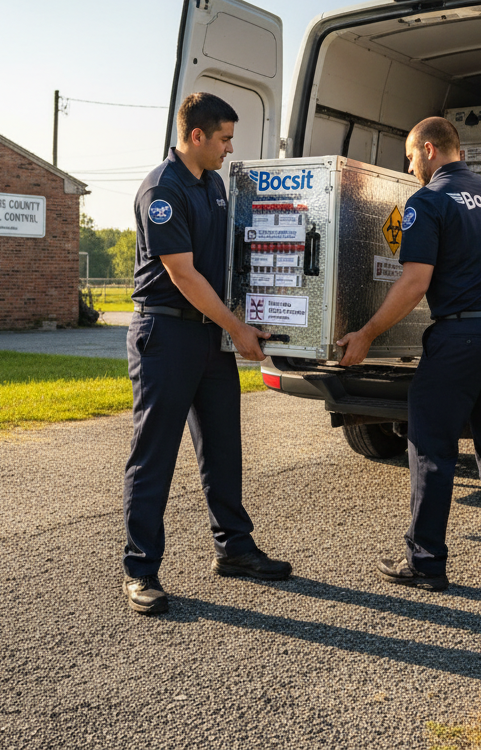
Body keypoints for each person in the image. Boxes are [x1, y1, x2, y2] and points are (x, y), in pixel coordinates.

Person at [336, 116, 481, 591]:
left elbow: (414, 282)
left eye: (408, 154)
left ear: (427, 149)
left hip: (461, 339)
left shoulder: (427, 201)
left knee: (431, 447)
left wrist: (365, 332)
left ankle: (425, 562)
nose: (408, 164)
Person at [122, 92, 292, 615]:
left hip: (210, 335)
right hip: (167, 335)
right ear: (196, 136)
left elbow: (224, 261)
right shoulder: (163, 189)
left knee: (223, 446)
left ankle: (234, 549)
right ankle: (141, 570)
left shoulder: (214, 184)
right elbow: (182, 273)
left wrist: (253, 312)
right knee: (155, 455)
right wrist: (237, 328)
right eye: (224, 138)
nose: (229, 148)